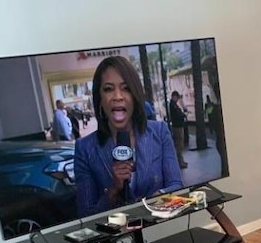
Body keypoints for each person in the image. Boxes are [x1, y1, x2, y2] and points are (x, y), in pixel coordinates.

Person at [74, 56, 184, 217]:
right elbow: (85, 214)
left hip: (161, 229)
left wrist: (157, 199)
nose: (118, 96)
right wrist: (112, 190)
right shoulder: (85, 149)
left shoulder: (160, 132)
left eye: (126, 88)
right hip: (115, 238)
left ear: (135, 96)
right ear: (99, 100)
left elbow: (176, 185)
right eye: (108, 89)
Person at [168, 90, 188, 168]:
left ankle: (181, 161)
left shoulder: (174, 105)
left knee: (180, 145)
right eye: (177, 97)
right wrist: (183, 115)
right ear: (174, 96)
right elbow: (178, 115)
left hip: (178, 126)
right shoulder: (173, 105)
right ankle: (180, 162)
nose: (177, 99)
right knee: (179, 145)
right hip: (177, 127)